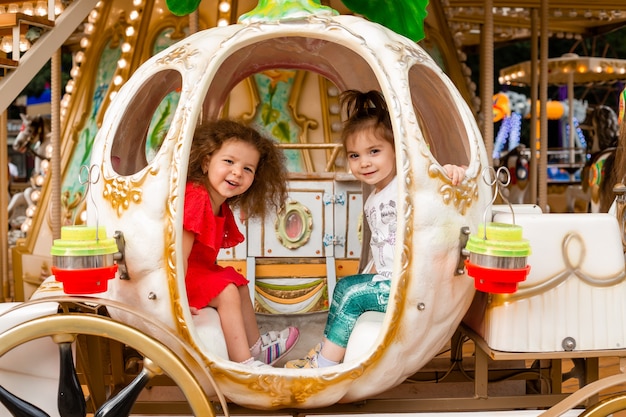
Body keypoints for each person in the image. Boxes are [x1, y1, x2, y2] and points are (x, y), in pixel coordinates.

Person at [285, 90, 466, 368]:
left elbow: (439, 183)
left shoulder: (407, 185)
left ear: (397, 150)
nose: (364, 162)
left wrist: (454, 172)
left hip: (412, 286)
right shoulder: (373, 199)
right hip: (389, 281)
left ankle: (324, 365)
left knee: (353, 294)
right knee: (345, 286)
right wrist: (366, 274)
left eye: (374, 152)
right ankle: (328, 352)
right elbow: (378, 248)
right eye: (355, 155)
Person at [183, 119, 299, 367]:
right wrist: (178, 301)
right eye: (229, 162)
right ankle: (244, 362)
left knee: (237, 282)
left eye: (248, 169)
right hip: (177, 278)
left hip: (195, 273)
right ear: (205, 162)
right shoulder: (195, 196)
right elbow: (178, 256)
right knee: (225, 291)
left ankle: (256, 347)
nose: (237, 172)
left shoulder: (219, 203)